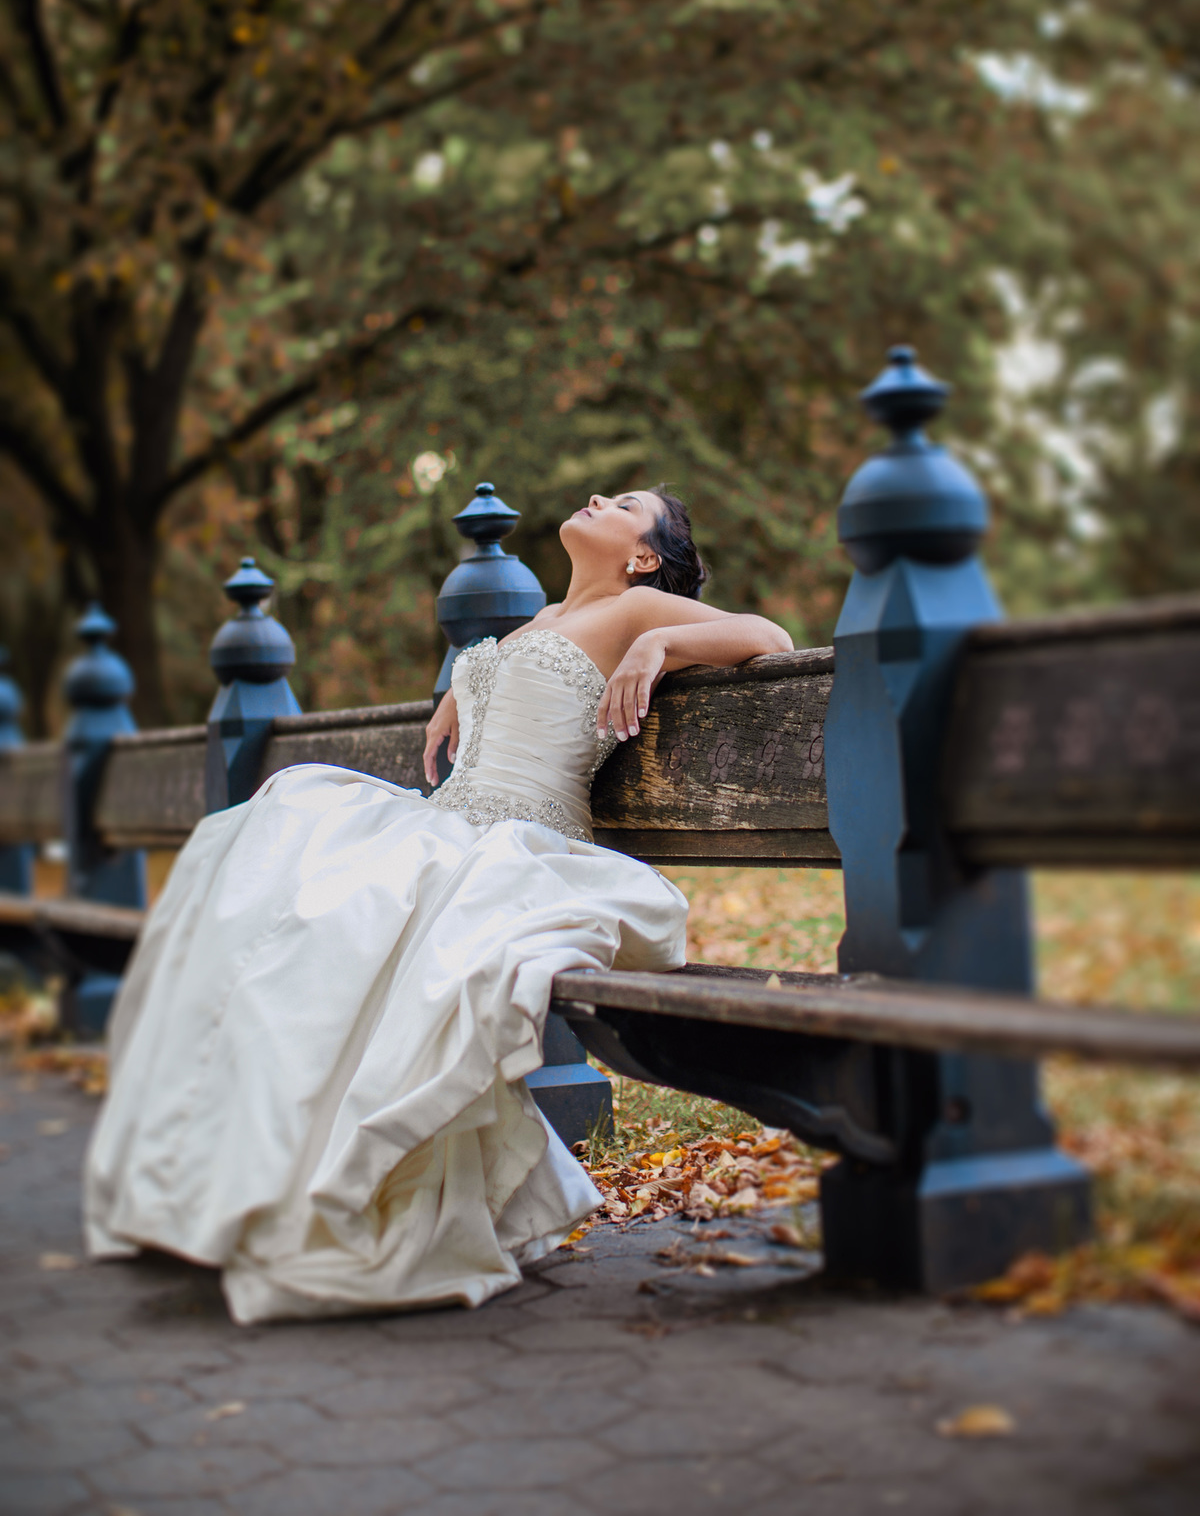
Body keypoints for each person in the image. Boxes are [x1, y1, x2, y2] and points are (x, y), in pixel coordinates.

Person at [84, 487, 793, 1322]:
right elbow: (524, 682)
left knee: (334, 909)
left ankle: (322, 1189)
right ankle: (238, 1176)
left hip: (519, 838)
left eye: (625, 503)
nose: (598, 497)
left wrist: (660, 643)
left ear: (644, 555)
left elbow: (771, 637)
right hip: (448, 824)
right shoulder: (538, 622)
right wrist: (472, 684)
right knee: (284, 868)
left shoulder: (637, 604)